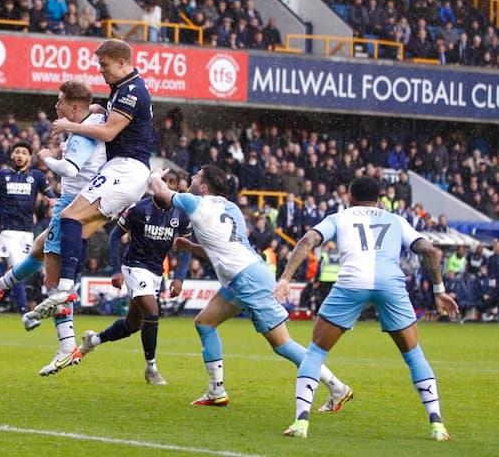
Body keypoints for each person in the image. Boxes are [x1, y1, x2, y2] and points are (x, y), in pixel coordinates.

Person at [149, 165, 352, 409]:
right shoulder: (231, 208)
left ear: (203, 187)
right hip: (243, 276)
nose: (190, 178)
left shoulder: (195, 203)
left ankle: (337, 387)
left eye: (196, 176)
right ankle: (216, 391)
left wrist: (154, 175)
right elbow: (225, 247)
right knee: (204, 322)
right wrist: (191, 248)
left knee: (283, 345)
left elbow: (160, 191)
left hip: (249, 280)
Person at [275, 175, 460, 441]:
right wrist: (439, 291)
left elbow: (308, 240)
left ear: (350, 196)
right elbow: (430, 251)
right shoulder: (396, 220)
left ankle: (301, 422)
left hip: (352, 282)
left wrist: (285, 278)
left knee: (315, 352)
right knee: (414, 355)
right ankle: (437, 425)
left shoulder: (340, 217)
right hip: (390, 284)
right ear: (379, 199)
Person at [0, 80, 107, 376]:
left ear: (74, 108)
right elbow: (98, 108)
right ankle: (1, 287)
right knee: (38, 248)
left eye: (60, 102)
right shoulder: (95, 118)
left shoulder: (80, 134)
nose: (55, 107)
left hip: (72, 205)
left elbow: (70, 169)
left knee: (54, 284)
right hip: (86, 201)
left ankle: (66, 347)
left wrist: (47, 158)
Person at [46, 39, 153, 312]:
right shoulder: (123, 88)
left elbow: (108, 133)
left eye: (104, 65)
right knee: (77, 227)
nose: (100, 70)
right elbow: (120, 121)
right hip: (125, 171)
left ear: (121, 62)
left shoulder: (131, 91)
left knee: (69, 216)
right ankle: (67, 286)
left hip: (126, 169)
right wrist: (101, 110)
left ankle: (65, 289)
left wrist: (70, 125)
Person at [81, 170, 192, 385]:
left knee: (133, 324)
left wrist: (179, 277)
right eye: (164, 181)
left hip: (156, 272)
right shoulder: (139, 209)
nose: (166, 185)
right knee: (152, 313)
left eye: (171, 183)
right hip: (134, 266)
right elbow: (114, 237)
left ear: (177, 187)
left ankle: (93, 340)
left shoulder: (181, 214)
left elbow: (186, 249)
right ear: (155, 185)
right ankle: (151, 368)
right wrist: (116, 269)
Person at [0, 140, 56, 338]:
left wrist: (52, 201)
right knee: (18, 271)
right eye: (17, 152)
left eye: (24, 152)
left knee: (13, 276)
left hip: (27, 233)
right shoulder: (1, 176)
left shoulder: (36, 177)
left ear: (29, 157)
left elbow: (52, 196)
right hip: (8, 232)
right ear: (12, 155)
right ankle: (26, 317)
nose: (20, 155)